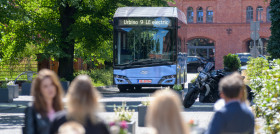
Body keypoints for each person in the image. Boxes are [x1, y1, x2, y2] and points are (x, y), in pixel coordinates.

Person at [23, 69, 64, 134]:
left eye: (52, 84)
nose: (50, 88)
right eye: (45, 86)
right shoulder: (32, 109)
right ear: (39, 90)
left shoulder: (60, 108)